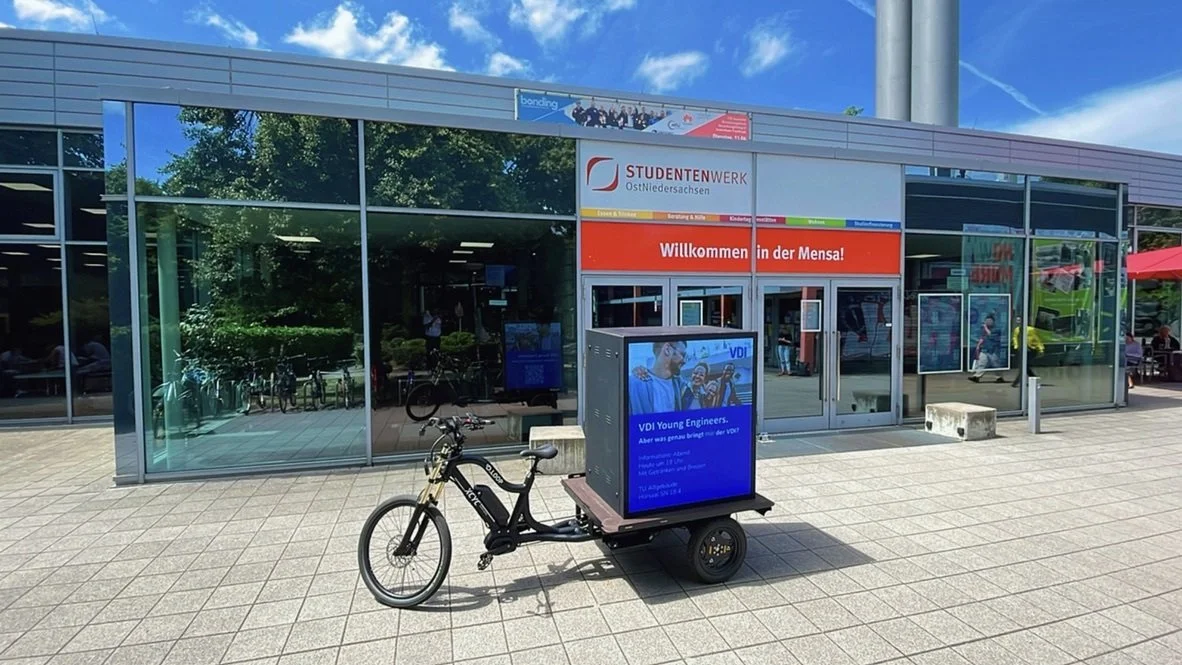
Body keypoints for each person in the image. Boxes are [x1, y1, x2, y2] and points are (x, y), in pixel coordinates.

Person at [628, 340, 687, 415]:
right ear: (667, 349)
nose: (684, 361)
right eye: (683, 354)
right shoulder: (634, 384)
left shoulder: (679, 385)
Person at [1008, 316, 1044, 387]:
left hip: (1030, 350)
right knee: (1025, 367)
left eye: (1019, 320)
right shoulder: (1017, 329)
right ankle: (1034, 380)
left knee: (1024, 367)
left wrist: (1041, 349)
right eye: (1017, 320)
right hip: (1021, 350)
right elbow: (1015, 337)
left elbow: (1037, 339)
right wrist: (1016, 346)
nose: (1018, 322)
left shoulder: (1030, 329)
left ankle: (1016, 382)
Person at [969, 314, 1004, 383]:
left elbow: (991, 335)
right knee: (981, 362)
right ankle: (977, 376)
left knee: (996, 364)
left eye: (990, 321)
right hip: (985, 349)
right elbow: (983, 338)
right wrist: (979, 344)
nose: (988, 322)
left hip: (993, 350)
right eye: (987, 321)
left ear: (993, 322)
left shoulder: (996, 329)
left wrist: (985, 328)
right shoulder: (983, 330)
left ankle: (999, 377)